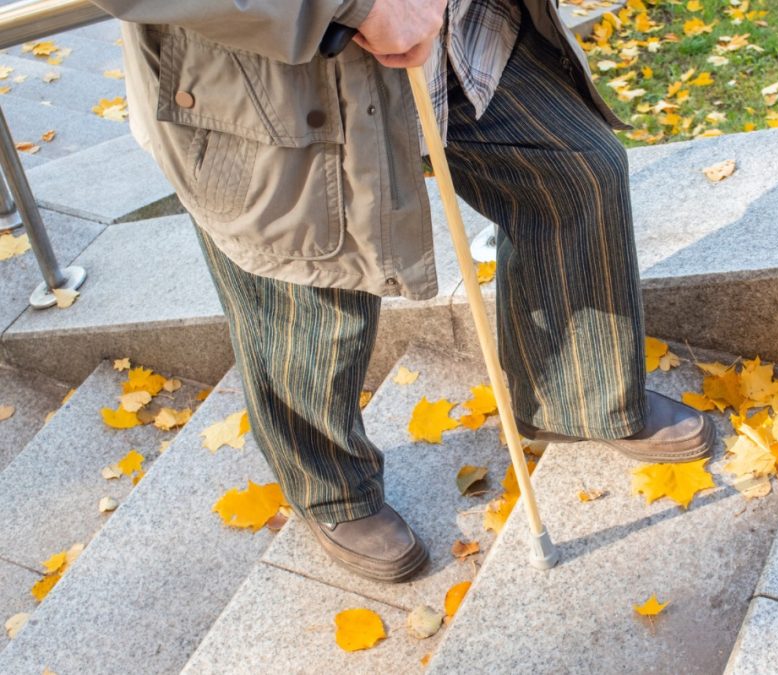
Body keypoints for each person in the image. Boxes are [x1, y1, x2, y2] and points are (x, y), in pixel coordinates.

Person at [95, 0, 715, 583]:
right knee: (304, 296)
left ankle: (579, 395)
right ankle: (331, 489)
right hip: (275, 85)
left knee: (575, 173)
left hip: (462, 36)